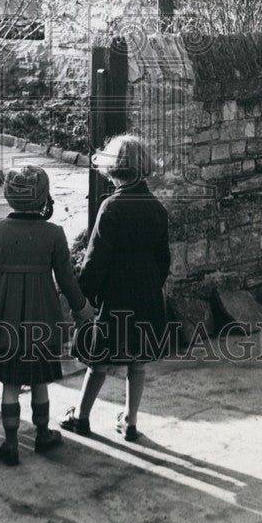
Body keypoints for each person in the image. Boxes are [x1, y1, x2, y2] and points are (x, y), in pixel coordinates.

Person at [0, 165, 95, 466]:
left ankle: (10, 443)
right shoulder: (54, 234)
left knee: (10, 384)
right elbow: (67, 281)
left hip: (5, 321)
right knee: (40, 381)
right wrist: (82, 310)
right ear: (43, 197)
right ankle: (42, 434)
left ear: (9, 196)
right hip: (42, 321)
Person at [61, 134, 170, 442]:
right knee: (138, 361)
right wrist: (153, 288)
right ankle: (131, 422)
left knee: (98, 360)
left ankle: (81, 417)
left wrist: (84, 297)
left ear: (112, 170)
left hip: (115, 296)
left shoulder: (111, 207)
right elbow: (163, 259)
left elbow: (95, 258)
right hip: (146, 294)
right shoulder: (157, 208)